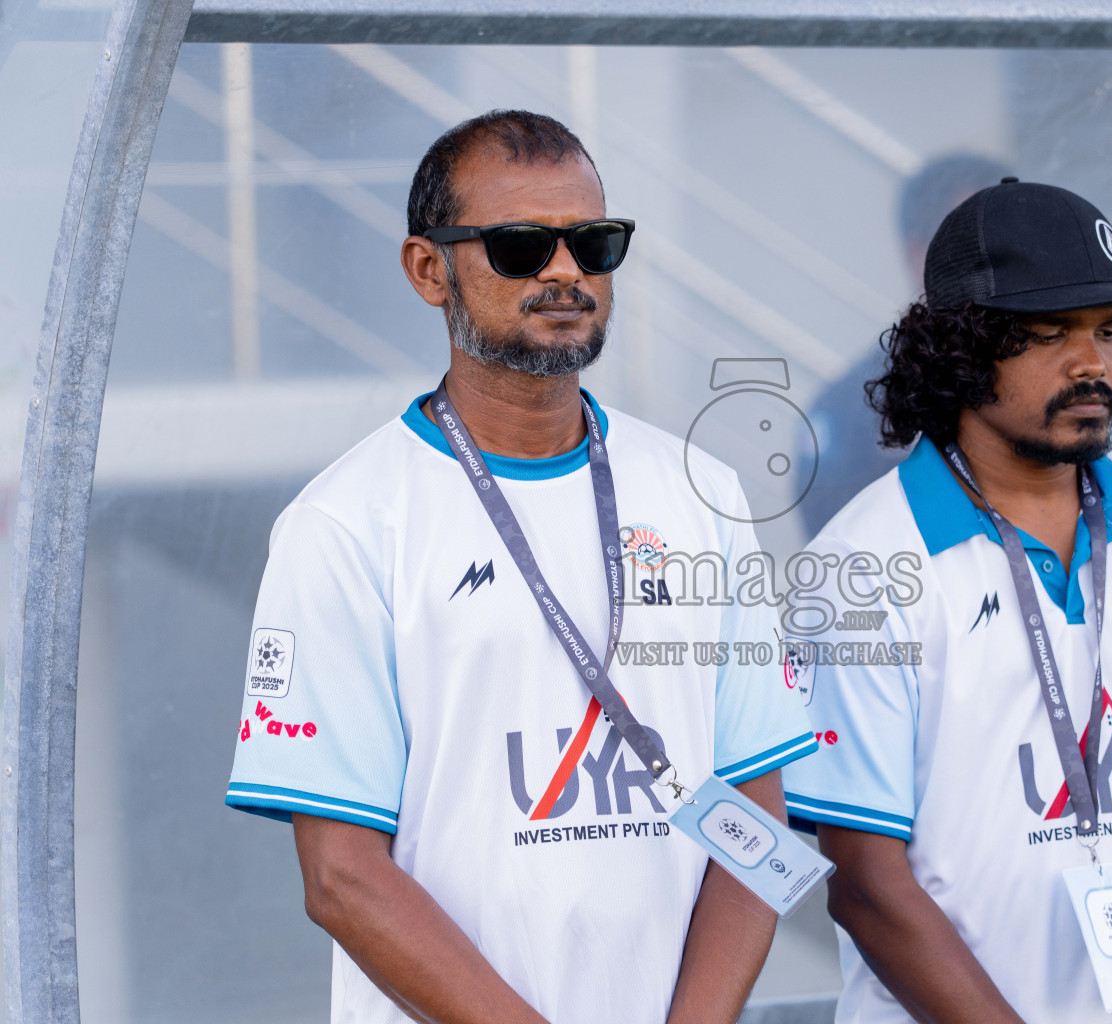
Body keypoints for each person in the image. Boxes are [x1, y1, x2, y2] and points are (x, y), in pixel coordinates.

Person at [224, 109, 816, 1024]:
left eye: (593, 242)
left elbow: (756, 817)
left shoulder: (702, 490)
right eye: (519, 246)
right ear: (430, 269)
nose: (566, 271)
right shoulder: (345, 524)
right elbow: (341, 879)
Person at [781, 180, 1112, 1024]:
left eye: (1108, 329)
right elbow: (866, 883)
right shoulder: (860, 563)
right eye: (1047, 334)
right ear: (959, 349)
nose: (1091, 363)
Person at [795, 153, 1011, 537]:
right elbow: (840, 559)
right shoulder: (852, 410)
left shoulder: (1060, 375)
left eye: (1010, 240)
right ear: (919, 257)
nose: (1002, 264)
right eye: (976, 245)